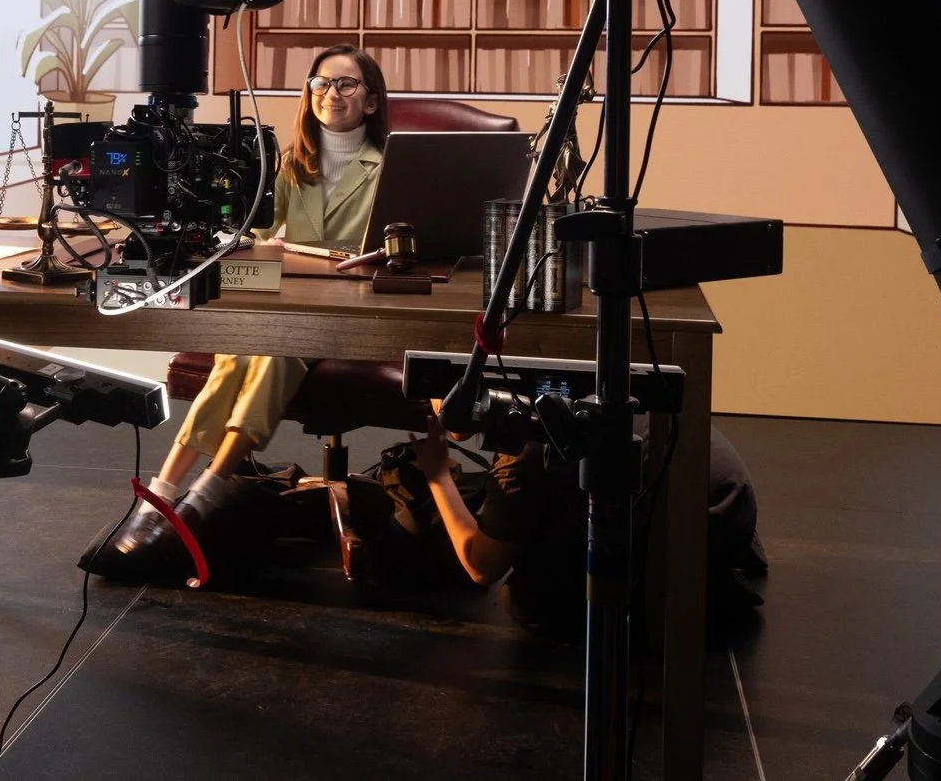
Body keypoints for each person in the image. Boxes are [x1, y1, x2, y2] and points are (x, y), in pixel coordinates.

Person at [81, 43, 389, 579]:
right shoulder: (290, 166)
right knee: (242, 347)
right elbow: (264, 243)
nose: (330, 94)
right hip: (289, 300)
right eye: (320, 83)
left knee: (273, 351)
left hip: (352, 311)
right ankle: (165, 493)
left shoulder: (389, 168)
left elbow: (379, 254)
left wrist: (308, 260)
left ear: (370, 101)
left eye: (345, 84)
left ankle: (204, 495)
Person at [404, 411, 767, 640]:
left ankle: (686, 598)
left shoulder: (528, 446)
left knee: (522, 597)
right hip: (733, 505)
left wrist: (437, 474)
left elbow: (481, 566)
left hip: (694, 533)